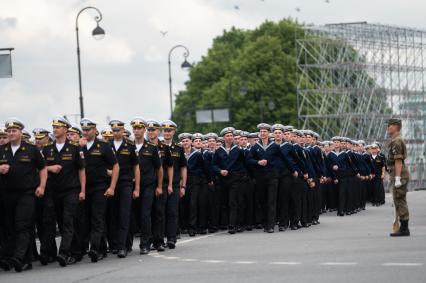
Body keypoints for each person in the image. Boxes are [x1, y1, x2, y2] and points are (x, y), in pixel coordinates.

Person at [0, 118, 47, 272]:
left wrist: (41, 186)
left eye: (14, 130)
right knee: (9, 227)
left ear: (20, 132)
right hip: (7, 194)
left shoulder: (31, 149)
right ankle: (17, 258)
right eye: (9, 131)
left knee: (23, 225)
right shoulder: (2, 150)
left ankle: (19, 258)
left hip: (26, 193)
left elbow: (43, 168)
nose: (11, 133)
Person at [41, 117, 86, 266]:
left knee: (68, 220)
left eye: (58, 127)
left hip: (71, 190)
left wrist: (82, 190)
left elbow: (81, 170)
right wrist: (50, 168)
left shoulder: (74, 148)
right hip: (53, 191)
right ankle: (75, 250)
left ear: (65, 130)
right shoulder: (47, 149)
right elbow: (40, 169)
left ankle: (64, 252)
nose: (55, 130)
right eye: (53, 127)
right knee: (60, 221)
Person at [78, 118, 119, 262]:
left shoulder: (103, 146)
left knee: (97, 217)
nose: (85, 132)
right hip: (83, 188)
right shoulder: (78, 146)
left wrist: (112, 187)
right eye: (83, 130)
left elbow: (115, 166)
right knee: (88, 219)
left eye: (88, 129)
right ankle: (101, 247)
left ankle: (94, 248)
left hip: (99, 187)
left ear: (95, 130)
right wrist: (78, 147)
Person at [108, 120, 140, 258]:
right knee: (112, 214)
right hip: (110, 185)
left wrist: (137, 187)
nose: (115, 132)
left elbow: (136, 167)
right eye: (113, 130)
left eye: (118, 130)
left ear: (123, 131)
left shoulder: (130, 145)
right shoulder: (106, 145)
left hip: (126, 183)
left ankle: (123, 246)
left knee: (124, 214)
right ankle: (115, 244)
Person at [131, 118, 163, 255]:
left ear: (144, 130)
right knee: (135, 215)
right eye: (135, 128)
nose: (137, 130)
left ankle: (145, 244)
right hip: (130, 186)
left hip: (148, 186)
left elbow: (159, 169)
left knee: (145, 214)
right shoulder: (128, 147)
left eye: (140, 128)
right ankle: (135, 242)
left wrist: (159, 186)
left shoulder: (151, 148)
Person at [212, 127, 246, 234]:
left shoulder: (238, 150)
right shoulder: (218, 151)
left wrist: (239, 175)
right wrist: (220, 171)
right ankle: (227, 223)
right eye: (227, 136)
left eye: (231, 135)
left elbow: (243, 164)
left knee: (233, 202)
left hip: (235, 179)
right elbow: (213, 165)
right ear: (223, 138)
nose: (230, 137)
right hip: (223, 180)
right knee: (225, 202)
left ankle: (234, 225)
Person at [146, 120, 173, 252]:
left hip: (162, 184)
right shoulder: (143, 147)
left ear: (158, 132)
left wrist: (170, 185)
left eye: (154, 130)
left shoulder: (164, 147)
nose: (151, 132)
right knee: (148, 213)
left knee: (159, 213)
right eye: (149, 130)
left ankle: (160, 241)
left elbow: (170, 167)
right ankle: (150, 240)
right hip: (148, 184)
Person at [161, 120, 187, 248]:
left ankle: (171, 238)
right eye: (165, 130)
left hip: (175, 184)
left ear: (174, 132)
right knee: (160, 212)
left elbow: (183, 167)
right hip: (161, 184)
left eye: (169, 130)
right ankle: (159, 239)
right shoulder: (157, 147)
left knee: (172, 211)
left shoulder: (178, 148)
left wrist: (183, 185)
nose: (167, 133)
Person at [386, 118, 410, 237]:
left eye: (391, 125)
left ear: (397, 127)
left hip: (398, 172)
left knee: (399, 200)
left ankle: (404, 228)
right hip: (397, 172)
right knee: (399, 200)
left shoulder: (396, 141)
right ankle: (403, 227)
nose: (388, 127)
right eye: (388, 125)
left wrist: (397, 178)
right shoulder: (395, 140)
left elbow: (398, 161)